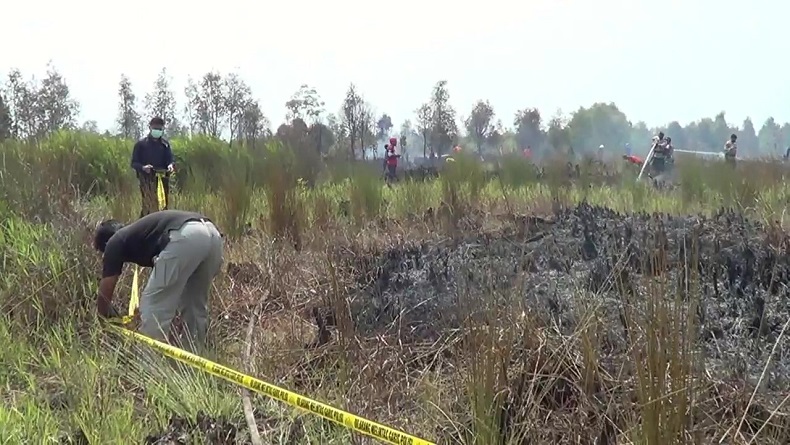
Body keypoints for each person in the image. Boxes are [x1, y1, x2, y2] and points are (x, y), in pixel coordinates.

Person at [93, 210, 224, 350]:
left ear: (105, 245)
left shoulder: (114, 242)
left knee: (153, 307)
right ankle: (193, 362)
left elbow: (105, 295)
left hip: (186, 235)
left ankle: (148, 362)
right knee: (194, 306)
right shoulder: (141, 235)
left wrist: (105, 321)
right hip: (212, 234)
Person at [131, 117, 175, 217]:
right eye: (155, 128)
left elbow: (170, 160)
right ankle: (142, 229)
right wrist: (143, 168)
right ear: (150, 127)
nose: (157, 131)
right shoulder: (141, 145)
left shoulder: (165, 145)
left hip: (163, 180)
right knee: (148, 206)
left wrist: (170, 165)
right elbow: (134, 163)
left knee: (163, 206)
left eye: (160, 129)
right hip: (147, 180)